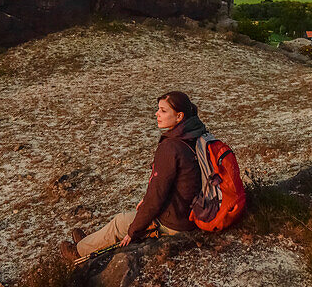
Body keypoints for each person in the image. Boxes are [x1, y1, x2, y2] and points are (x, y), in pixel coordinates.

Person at [61, 91, 205, 262]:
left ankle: (79, 251)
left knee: (120, 222)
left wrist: (134, 230)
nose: (156, 114)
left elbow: (156, 195)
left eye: (163, 111)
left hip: (175, 222)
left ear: (179, 116)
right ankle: (89, 241)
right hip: (191, 211)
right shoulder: (195, 135)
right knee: (128, 217)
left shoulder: (171, 147)